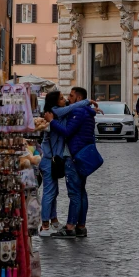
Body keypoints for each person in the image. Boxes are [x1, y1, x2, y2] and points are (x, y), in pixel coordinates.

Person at [47, 86, 97, 239]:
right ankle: (81, 226)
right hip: (82, 156)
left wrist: (51, 122)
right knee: (81, 191)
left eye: (71, 96)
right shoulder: (87, 112)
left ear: (79, 99)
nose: (69, 98)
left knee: (75, 193)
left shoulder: (78, 112)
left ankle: (70, 227)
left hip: (74, 156)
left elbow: (67, 132)